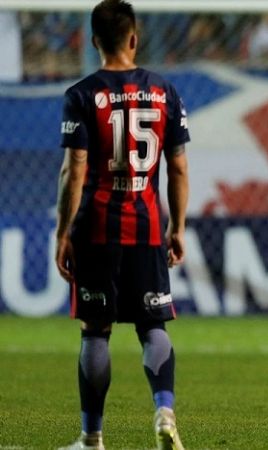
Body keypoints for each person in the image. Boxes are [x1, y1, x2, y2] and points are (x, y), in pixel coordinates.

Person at [55, 1, 189, 449]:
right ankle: (164, 411)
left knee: (96, 329)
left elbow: (74, 169)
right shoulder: (165, 91)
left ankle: (92, 439)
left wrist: (63, 232)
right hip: (147, 228)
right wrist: (177, 227)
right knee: (153, 327)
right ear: (134, 38)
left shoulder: (80, 95)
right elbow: (179, 167)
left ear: (94, 41)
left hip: (96, 230)